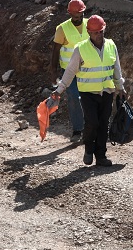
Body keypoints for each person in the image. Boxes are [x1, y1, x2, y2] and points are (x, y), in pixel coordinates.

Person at [51, 14, 125, 167]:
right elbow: (70, 71)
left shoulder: (111, 45)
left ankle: (101, 156)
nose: (98, 35)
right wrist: (59, 89)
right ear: (89, 32)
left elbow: (116, 69)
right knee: (92, 122)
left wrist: (120, 87)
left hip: (107, 92)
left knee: (104, 124)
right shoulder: (81, 49)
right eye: (95, 32)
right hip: (88, 94)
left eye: (101, 31)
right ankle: (88, 150)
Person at [51, 0, 88, 142]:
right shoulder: (62, 29)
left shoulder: (90, 24)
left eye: (80, 16)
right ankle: (78, 130)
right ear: (69, 14)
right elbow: (55, 51)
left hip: (88, 70)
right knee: (74, 97)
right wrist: (53, 71)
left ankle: (91, 128)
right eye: (74, 16)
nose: (77, 19)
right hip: (69, 72)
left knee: (90, 98)